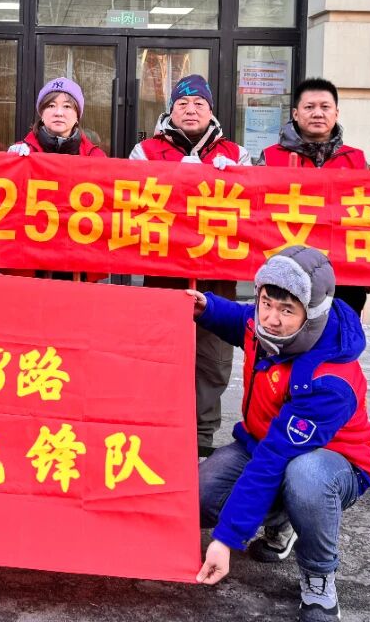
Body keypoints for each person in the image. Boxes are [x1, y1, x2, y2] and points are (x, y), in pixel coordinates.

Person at [193, 246, 370, 622]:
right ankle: (282, 520)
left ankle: (319, 576)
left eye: (287, 310)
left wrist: (226, 540)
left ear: (313, 314)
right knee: (200, 497)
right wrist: (206, 307)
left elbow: (274, 458)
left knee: (304, 477)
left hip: (333, 465)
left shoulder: (329, 380)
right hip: (261, 443)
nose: (271, 319)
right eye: (266, 303)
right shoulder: (264, 325)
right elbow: (241, 319)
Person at [129, 74, 251, 458]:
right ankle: (160, 433)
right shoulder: (145, 151)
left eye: (199, 103)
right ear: (171, 111)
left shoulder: (236, 154)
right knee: (161, 354)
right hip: (164, 274)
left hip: (217, 277)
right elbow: (132, 201)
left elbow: (252, 210)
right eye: (182, 103)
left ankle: (201, 438)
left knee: (213, 359)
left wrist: (236, 181)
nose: (191, 109)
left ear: (211, 110)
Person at [260, 78, 370, 315]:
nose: (318, 113)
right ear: (295, 114)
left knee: (340, 334)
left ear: (336, 113)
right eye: (309, 107)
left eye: (325, 107)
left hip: (343, 274)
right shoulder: (270, 158)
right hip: (285, 270)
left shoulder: (356, 160)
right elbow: (256, 211)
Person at [5, 77, 106, 282]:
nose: (59, 112)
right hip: (32, 262)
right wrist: (10, 167)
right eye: (51, 105)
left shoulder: (96, 158)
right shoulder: (20, 154)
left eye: (67, 106)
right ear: (41, 114)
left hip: (78, 261)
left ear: (77, 115)